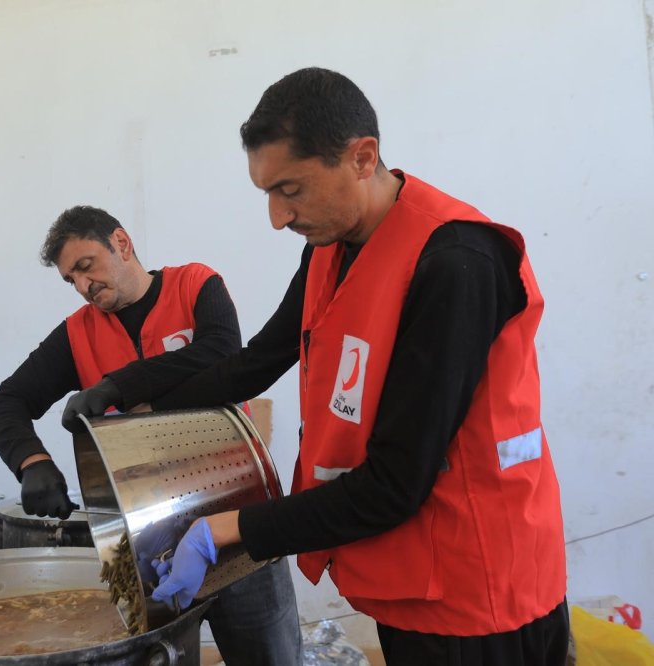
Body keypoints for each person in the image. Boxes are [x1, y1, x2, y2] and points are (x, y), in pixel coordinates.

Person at [70, 68, 569, 666]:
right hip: (410, 571)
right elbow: (256, 361)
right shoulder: (330, 246)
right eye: (267, 194)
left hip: (479, 584)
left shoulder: (455, 263)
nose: (278, 217)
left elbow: (393, 486)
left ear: (362, 157)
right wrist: (129, 398)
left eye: (292, 189)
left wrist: (225, 532)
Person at [0, 205, 303, 666]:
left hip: (239, 527)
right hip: (152, 551)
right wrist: (32, 462)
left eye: (86, 266)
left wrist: (118, 386)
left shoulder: (194, 285)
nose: (82, 286)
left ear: (122, 243)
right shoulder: (78, 335)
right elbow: (6, 402)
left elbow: (220, 352)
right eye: (70, 279)